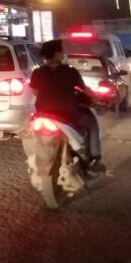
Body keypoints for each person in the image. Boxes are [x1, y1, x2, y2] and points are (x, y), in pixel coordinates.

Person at [30, 39, 104, 172]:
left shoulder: (37, 73)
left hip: (43, 114)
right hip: (68, 113)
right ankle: (95, 158)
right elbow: (84, 90)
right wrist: (96, 97)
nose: (63, 54)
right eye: (61, 52)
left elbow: (35, 91)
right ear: (57, 54)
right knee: (92, 123)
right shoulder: (70, 72)